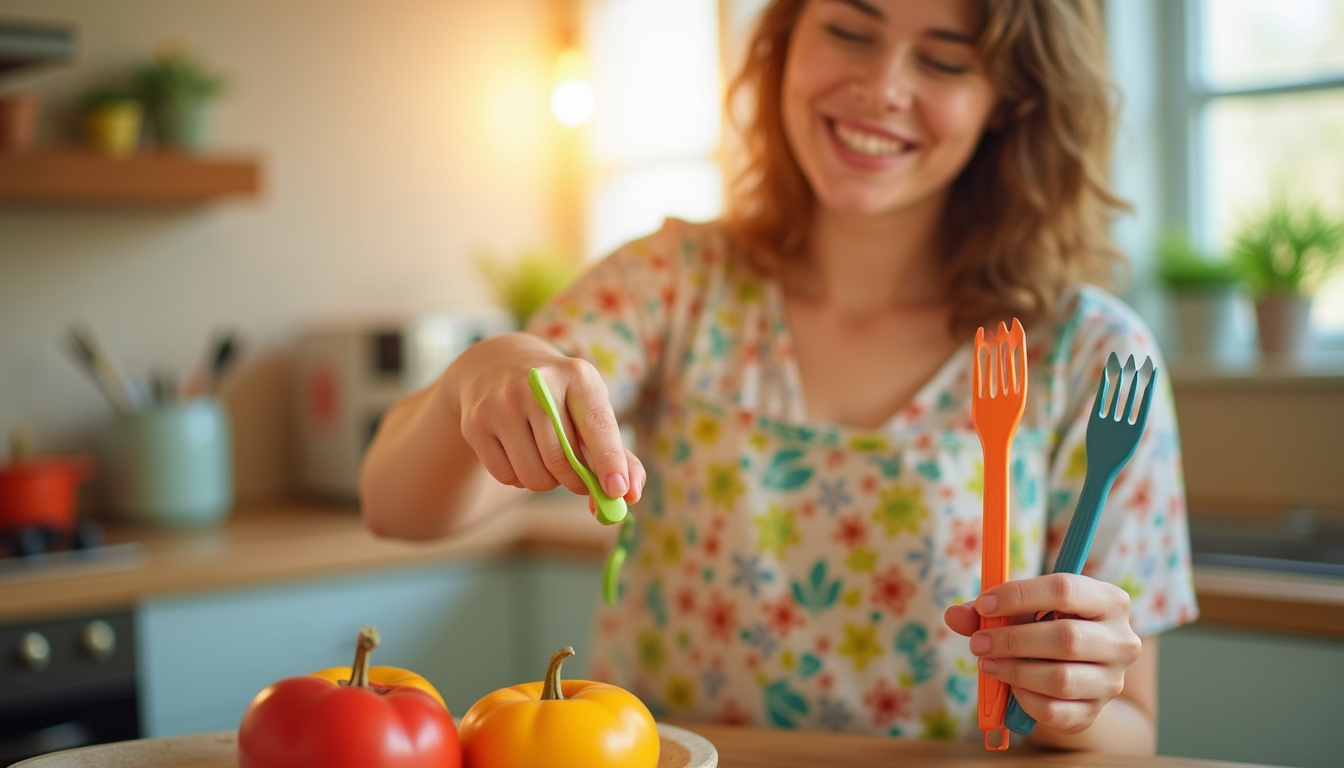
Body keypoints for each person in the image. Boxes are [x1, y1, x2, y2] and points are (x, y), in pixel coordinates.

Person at [361, 0, 1197, 754]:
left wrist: (1069, 703)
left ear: (1010, 101)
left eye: (943, 59)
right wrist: (483, 373)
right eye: (849, 31)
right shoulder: (673, 282)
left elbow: (1134, 733)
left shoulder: (1089, 351)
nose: (881, 87)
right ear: (785, 44)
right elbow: (396, 507)